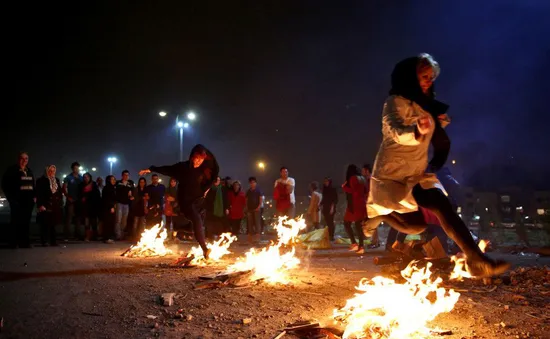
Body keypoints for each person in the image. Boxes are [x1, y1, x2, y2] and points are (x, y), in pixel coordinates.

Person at [367, 53, 509, 277]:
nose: (429, 81)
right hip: (393, 174)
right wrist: (417, 130)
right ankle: (380, 216)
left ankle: (475, 259)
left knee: (441, 208)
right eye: (424, 76)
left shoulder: (425, 106)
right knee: (414, 226)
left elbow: (435, 138)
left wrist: (438, 126)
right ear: (410, 77)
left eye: (432, 77)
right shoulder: (395, 102)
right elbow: (393, 131)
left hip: (416, 173)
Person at [139, 144, 219, 259]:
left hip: (198, 202)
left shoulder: (204, 169)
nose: (198, 162)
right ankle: (205, 249)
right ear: (192, 157)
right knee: (196, 221)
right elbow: (167, 169)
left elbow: (214, 169)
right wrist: (151, 169)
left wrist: (207, 188)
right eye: (196, 159)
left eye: (201, 159)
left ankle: (185, 230)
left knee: (198, 222)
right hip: (186, 202)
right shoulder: (182, 168)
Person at [1, 152, 36, 248]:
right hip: (17, 201)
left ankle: (24, 242)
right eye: (22, 158)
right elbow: (5, 185)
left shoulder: (29, 171)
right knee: (15, 222)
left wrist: (34, 198)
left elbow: (33, 185)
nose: (24, 160)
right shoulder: (11, 170)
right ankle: (13, 243)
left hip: (28, 202)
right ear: (18, 159)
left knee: (26, 222)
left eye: (26, 159)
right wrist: (11, 199)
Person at [343, 164, 368, 254]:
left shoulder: (353, 178)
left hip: (355, 203)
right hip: (362, 202)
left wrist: (344, 187)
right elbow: (365, 191)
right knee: (358, 225)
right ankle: (360, 246)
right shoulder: (362, 178)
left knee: (347, 223)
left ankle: (355, 244)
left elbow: (353, 191)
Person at [36, 165, 63, 246]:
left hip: (55, 205)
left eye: (53, 171)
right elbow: (38, 193)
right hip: (45, 204)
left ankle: (53, 241)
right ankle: (44, 241)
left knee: (53, 224)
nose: (52, 172)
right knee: (45, 224)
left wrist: (60, 202)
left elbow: (59, 192)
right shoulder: (41, 180)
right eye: (50, 171)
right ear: (46, 171)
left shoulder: (56, 180)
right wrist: (40, 204)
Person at [62, 162, 83, 240]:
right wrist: (68, 197)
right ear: (72, 169)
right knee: (69, 218)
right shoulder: (68, 177)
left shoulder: (81, 178)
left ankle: (78, 235)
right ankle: (66, 235)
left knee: (78, 218)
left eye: (77, 168)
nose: (76, 169)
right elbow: (64, 188)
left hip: (79, 201)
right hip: (71, 200)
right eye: (75, 168)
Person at [79, 172, 101, 241]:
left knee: (94, 222)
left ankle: (95, 236)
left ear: (90, 177)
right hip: (85, 207)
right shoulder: (81, 185)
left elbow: (97, 195)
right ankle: (87, 236)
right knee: (87, 223)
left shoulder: (93, 185)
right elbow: (79, 194)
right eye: (84, 177)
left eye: (87, 177)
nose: (86, 178)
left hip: (93, 206)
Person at [115, 170, 135, 240]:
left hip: (126, 204)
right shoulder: (118, 183)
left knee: (124, 220)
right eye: (125, 175)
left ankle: (122, 234)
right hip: (119, 203)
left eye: (127, 175)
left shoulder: (130, 183)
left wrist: (132, 196)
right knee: (118, 219)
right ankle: (118, 235)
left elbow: (132, 192)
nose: (126, 176)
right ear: (122, 176)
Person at [245, 177, 263, 245]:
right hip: (250, 209)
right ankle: (250, 238)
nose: (252, 184)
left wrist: (259, 207)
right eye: (251, 182)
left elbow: (260, 198)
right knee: (250, 223)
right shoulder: (248, 191)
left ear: (256, 183)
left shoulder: (258, 190)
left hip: (257, 209)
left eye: (254, 182)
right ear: (249, 183)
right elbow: (246, 199)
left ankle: (257, 238)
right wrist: (246, 207)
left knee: (257, 223)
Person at [101, 175, 117, 243]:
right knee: (108, 222)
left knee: (111, 222)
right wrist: (111, 207)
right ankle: (107, 238)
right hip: (107, 208)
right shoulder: (107, 188)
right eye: (112, 179)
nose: (114, 181)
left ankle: (109, 237)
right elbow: (107, 199)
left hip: (110, 207)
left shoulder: (112, 187)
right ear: (108, 180)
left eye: (114, 179)